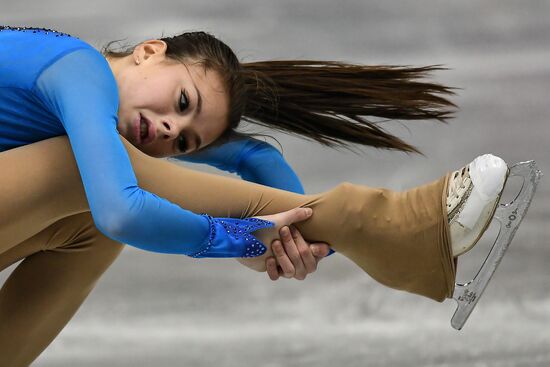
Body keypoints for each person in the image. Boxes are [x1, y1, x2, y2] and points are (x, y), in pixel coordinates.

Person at [0, 26, 516, 365]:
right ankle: (376, 225)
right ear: (150, 52)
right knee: (82, 176)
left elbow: (251, 159)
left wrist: (286, 234)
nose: (166, 130)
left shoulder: (109, 109)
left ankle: (375, 230)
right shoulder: (77, 71)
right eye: (182, 100)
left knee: (89, 212)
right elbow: (121, 210)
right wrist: (240, 240)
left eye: (184, 140)